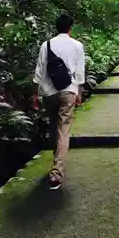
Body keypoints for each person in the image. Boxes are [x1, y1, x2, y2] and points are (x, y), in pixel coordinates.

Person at [33, 13, 85, 190]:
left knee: (54, 128)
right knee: (64, 130)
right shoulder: (77, 46)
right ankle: (56, 172)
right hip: (68, 91)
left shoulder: (45, 45)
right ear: (71, 28)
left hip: (49, 92)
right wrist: (79, 93)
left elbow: (39, 73)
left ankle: (57, 165)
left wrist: (35, 95)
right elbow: (80, 72)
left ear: (56, 27)